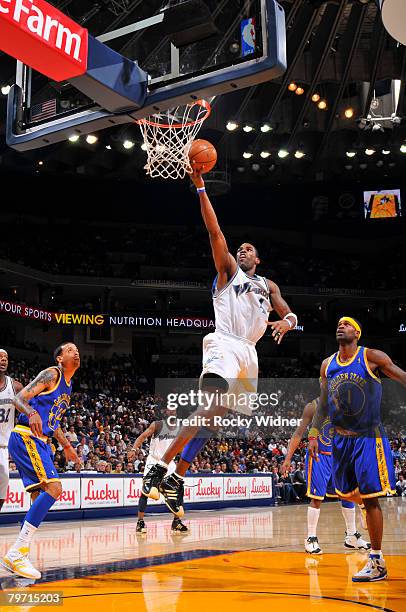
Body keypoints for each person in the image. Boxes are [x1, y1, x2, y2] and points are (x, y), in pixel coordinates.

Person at [142, 170, 298, 516]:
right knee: (208, 405)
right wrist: (200, 187)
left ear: (258, 259)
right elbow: (214, 231)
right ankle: (158, 465)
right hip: (225, 343)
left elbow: (289, 312)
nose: (242, 250)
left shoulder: (268, 285)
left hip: (249, 352)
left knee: (216, 417)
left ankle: (175, 478)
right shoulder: (228, 271)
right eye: (240, 248)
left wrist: (288, 323)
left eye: (249, 249)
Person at [309, 317, 405, 581]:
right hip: (339, 440)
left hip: (367, 438)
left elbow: (401, 376)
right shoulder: (328, 365)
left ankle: (377, 560)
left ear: (357, 333)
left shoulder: (371, 357)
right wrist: (314, 433)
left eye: (347, 324)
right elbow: (324, 404)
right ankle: (367, 508)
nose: (341, 325)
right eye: (338, 323)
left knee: (371, 498)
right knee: (345, 494)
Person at [0, 343, 81, 579]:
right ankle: (16, 553)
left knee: (38, 498)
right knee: (55, 487)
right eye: (69, 350)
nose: (75, 352)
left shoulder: (68, 386)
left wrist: (66, 446)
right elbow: (18, 398)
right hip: (26, 436)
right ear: (59, 358)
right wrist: (31, 412)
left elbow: (52, 422)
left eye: (77, 350)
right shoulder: (52, 374)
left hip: (41, 441)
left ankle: (20, 555)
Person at [281, 397, 369, 554]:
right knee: (317, 498)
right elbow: (299, 432)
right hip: (319, 456)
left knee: (347, 495)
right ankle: (311, 538)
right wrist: (288, 458)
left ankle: (351, 536)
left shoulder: (344, 405)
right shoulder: (312, 406)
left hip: (339, 457)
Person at [127, 411, 188, 534]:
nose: (172, 413)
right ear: (165, 413)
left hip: (169, 462)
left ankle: (176, 522)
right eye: (169, 410)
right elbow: (142, 437)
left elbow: (182, 447)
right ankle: (140, 521)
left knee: (177, 489)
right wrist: (134, 449)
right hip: (154, 460)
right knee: (146, 491)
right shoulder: (157, 425)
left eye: (174, 411)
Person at [0, 349, 23, 511]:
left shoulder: (15, 386)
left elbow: (27, 410)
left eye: (5, 358)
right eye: (0, 357)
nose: (3, 360)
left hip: (3, 445)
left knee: (4, 483)